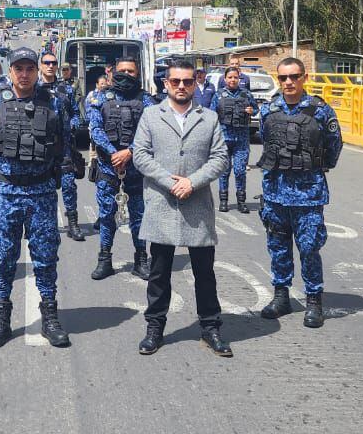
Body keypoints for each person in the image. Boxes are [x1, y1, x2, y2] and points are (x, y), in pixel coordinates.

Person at [131, 58, 230, 356]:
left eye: (188, 81)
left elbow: (220, 158)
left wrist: (192, 182)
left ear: (194, 84)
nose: (182, 86)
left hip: (197, 206)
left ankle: (210, 327)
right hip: (162, 205)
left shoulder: (209, 118)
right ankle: (155, 328)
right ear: (166, 84)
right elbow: (140, 155)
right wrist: (170, 182)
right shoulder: (151, 115)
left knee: (205, 273)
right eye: (176, 82)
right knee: (159, 273)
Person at [0, 47, 74, 348]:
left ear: (37, 71)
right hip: (6, 192)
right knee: (5, 256)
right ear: (10, 72)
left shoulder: (55, 104)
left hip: (42, 193)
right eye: (18, 69)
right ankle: (2, 319)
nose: (24, 74)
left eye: (29, 69)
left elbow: (64, 143)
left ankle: (49, 317)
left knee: (45, 258)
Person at [255, 57, 343, 328]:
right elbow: (265, 139)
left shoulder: (320, 111)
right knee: (278, 248)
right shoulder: (269, 110)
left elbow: (334, 146)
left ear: (304, 77)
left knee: (308, 248)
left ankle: (314, 300)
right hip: (275, 193)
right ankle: (281, 296)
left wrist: (315, 168)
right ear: (278, 79)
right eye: (283, 78)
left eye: (294, 76)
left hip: (309, 194)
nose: (289, 82)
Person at [87, 56, 157, 280]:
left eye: (131, 71)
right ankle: (104, 259)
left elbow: (152, 131)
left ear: (138, 74)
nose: (126, 75)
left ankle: (141, 260)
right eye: (122, 71)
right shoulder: (99, 98)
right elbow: (95, 129)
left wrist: (130, 151)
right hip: (108, 169)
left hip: (137, 169)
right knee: (107, 216)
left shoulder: (146, 101)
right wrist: (113, 153)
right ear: (112, 72)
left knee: (139, 217)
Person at [39, 52, 85, 242]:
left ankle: (73, 224)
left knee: (68, 186)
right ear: (40, 65)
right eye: (46, 63)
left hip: (64, 147)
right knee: (42, 187)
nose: (50, 66)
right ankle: (42, 225)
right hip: (41, 148)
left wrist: (73, 124)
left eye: (53, 63)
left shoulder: (65, 89)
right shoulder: (34, 89)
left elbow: (76, 112)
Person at [211, 66, 255, 213]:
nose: (233, 80)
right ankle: (224, 201)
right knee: (224, 171)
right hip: (224, 138)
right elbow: (211, 114)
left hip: (241, 139)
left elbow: (256, 108)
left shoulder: (246, 94)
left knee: (240, 171)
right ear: (225, 79)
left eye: (235, 77)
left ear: (239, 78)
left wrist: (251, 110)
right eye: (230, 77)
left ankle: (241, 201)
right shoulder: (219, 95)